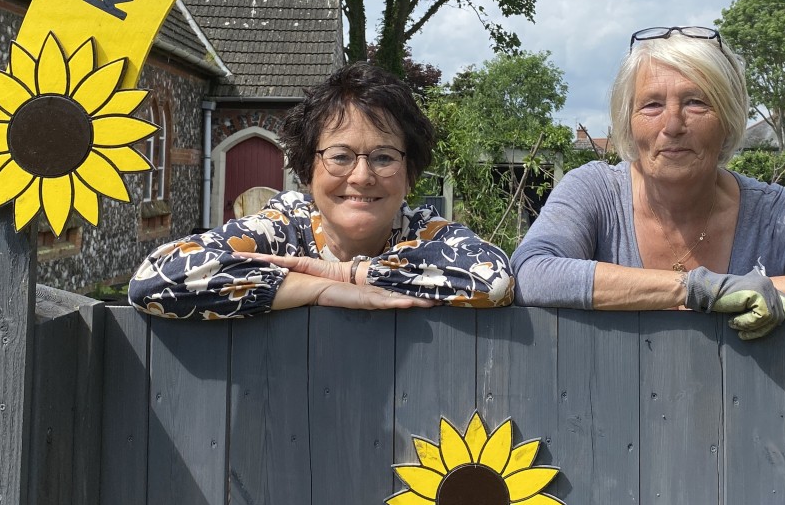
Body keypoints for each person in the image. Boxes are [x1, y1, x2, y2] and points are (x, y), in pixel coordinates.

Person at [510, 26, 785, 339]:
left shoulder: (773, 215)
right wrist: (700, 289)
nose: (673, 125)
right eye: (652, 105)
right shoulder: (595, 191)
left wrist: (766, 290)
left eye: (696, 103)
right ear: (627, 122)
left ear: (728, 120)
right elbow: (531, 273)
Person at [130, 63, 515, 319]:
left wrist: (347, 273)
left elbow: (494, 281)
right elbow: (153, 279)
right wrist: (318, 289)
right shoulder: (282, 228)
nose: (362, 176)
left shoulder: (424, 233)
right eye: (340, 156)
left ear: (410, 173)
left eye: (383, 157)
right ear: (307, 170)